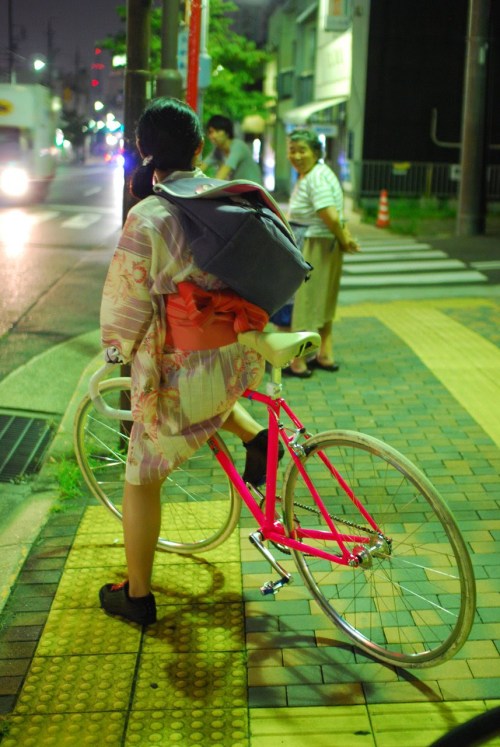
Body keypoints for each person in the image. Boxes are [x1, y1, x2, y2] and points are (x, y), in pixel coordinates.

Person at [98, 98, 281, 626]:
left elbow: (127, 305)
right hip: (238, 354)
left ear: (143, 152)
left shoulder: (150, 215)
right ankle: (255, 436)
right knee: (205, 399)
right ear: (200, 149)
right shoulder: (224, 196)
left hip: (190, 363)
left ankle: (136, 594)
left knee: (141, 477)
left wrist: (117, 349)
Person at [283, 129, 360, 378]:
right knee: (323, 303)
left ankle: (298, 363)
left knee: (304, 304)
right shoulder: (320, 173)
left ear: (316, 152)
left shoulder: (314, 178)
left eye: (302, 150)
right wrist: (344, 238)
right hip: (324, 243)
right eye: (292, 150)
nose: (296, 155)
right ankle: (324, 355)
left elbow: (329, 214)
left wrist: (343, 238)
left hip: (313, 244)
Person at [200, 114, 262, 183]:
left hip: (254, 189)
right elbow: (201, 168)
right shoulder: (218, 150)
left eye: (217, 131)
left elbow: (222, 174)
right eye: (211, 132)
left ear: (227, 132)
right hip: (239, 189)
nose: (213, 136)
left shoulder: (237, 146)